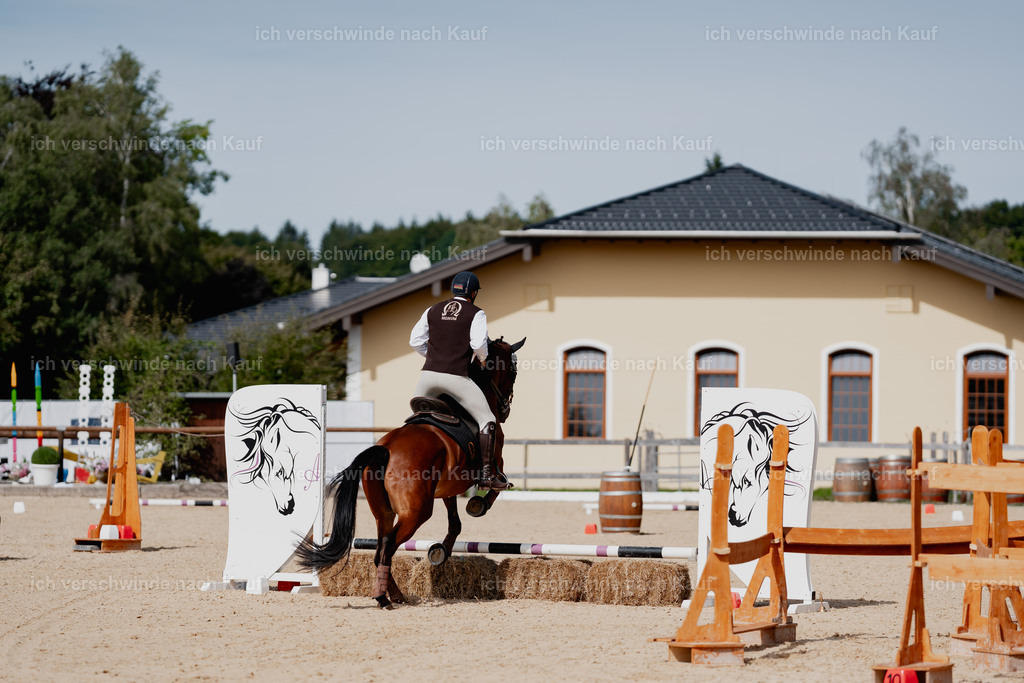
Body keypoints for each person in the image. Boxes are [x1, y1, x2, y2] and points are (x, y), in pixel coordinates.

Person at [409, 271, 512, 490]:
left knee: (414, 419)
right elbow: (478, 343)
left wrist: (434, 357)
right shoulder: (476, 313)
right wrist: (483, 360)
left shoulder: (432, 310)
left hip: (427, 377)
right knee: (488, 420)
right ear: (473, 293)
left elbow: (415, 340)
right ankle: (486, 475)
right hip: (456, 377)